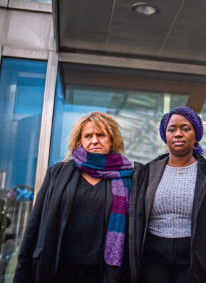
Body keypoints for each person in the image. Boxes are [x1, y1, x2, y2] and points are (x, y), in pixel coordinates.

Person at [14, 112, 134, 283]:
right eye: (88, 136)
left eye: (101, 135)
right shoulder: (57, 173)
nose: (94, 140)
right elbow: (35, 223)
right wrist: (22, 274)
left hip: (103, 272)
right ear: (80, 141)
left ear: (112, 140)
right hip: (58, 267)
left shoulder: (127, 177)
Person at [129, 106, 206, 283]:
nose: (178, 134)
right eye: (172, 129)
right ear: (165, 136)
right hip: (152, 260)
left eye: (186, 128)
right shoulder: (146, 173)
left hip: (195, 260)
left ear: (196, 136)